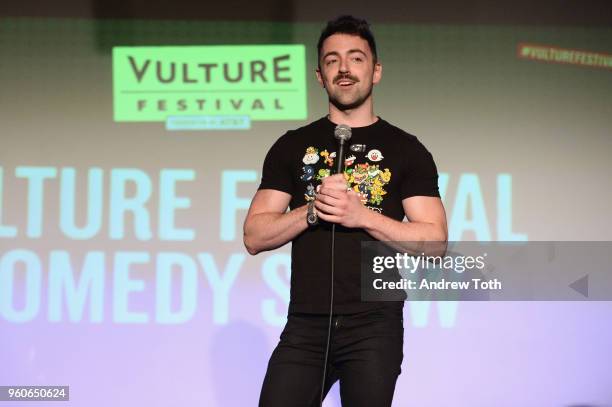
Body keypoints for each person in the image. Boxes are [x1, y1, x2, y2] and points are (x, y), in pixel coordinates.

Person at [244, 15, 448, 407]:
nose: (344, 69)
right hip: (305, 323)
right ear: (320, 75)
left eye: (356, 59)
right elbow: (254, 235)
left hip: (373, 324)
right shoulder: (291, 146)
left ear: (375, 71)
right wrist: (311, 210)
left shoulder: (407, 149)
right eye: (332, 60)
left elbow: (434, 240)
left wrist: (362, 216)